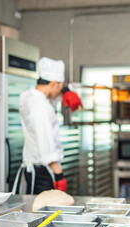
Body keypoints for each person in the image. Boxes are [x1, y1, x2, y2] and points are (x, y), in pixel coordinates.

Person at [13, 57, 82, 195]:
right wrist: (59, 175)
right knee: (46, 215)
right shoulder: (41, 107)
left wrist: (64, 89)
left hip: (34, 168)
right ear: (54, 83)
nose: (60, 91)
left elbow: (50, 97)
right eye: (60, 86)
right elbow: (46, 142)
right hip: (43, 172)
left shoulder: (28, 97)